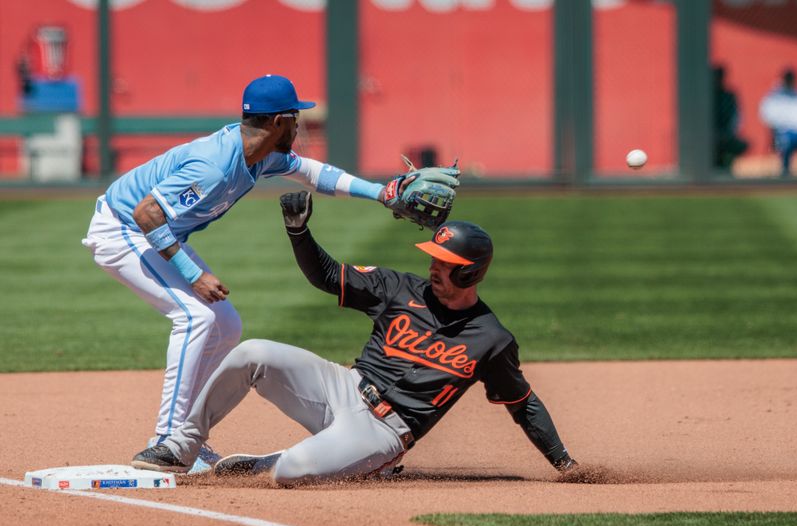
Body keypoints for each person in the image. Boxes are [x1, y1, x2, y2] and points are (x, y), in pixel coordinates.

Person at [130, 191, 578, 485]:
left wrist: (566, 465)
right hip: (341, 387)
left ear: (470, 270)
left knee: (292, 472)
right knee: (253, 353)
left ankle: (283, 460)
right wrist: (298, 231)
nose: (433, 268)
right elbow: (326, 276)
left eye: (444, 262)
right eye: (434, 259)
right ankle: (180, 446)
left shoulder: (491, 338)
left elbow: (524, 404)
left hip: (384, 431)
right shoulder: (400, 288)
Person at [82, 75, 404, 474]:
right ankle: (167, 442)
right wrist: (191, 273)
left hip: (156, 233)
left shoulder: (259, 153)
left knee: (225, 324)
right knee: (195, 316)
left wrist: (382, 193)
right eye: (295, 117)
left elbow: (315, 174)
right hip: (123, 231)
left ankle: (186, 439)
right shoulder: (216, 166)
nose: (300, 124)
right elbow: (147, 213)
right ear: (278, 122)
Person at [759, 68, 797, 177]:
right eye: (788, 78)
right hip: (782, 133)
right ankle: (785, 171)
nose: (790, 80)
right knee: (786, 140)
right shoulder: (774, 97)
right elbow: (767, 116)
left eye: (791, 78)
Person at [712, 65, 748, 172]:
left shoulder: (729, 95)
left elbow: (736, 118)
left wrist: (729, 133)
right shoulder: (705, 96)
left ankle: (726, 171)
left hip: (727, 136)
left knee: (730, 150)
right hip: (709, 138)